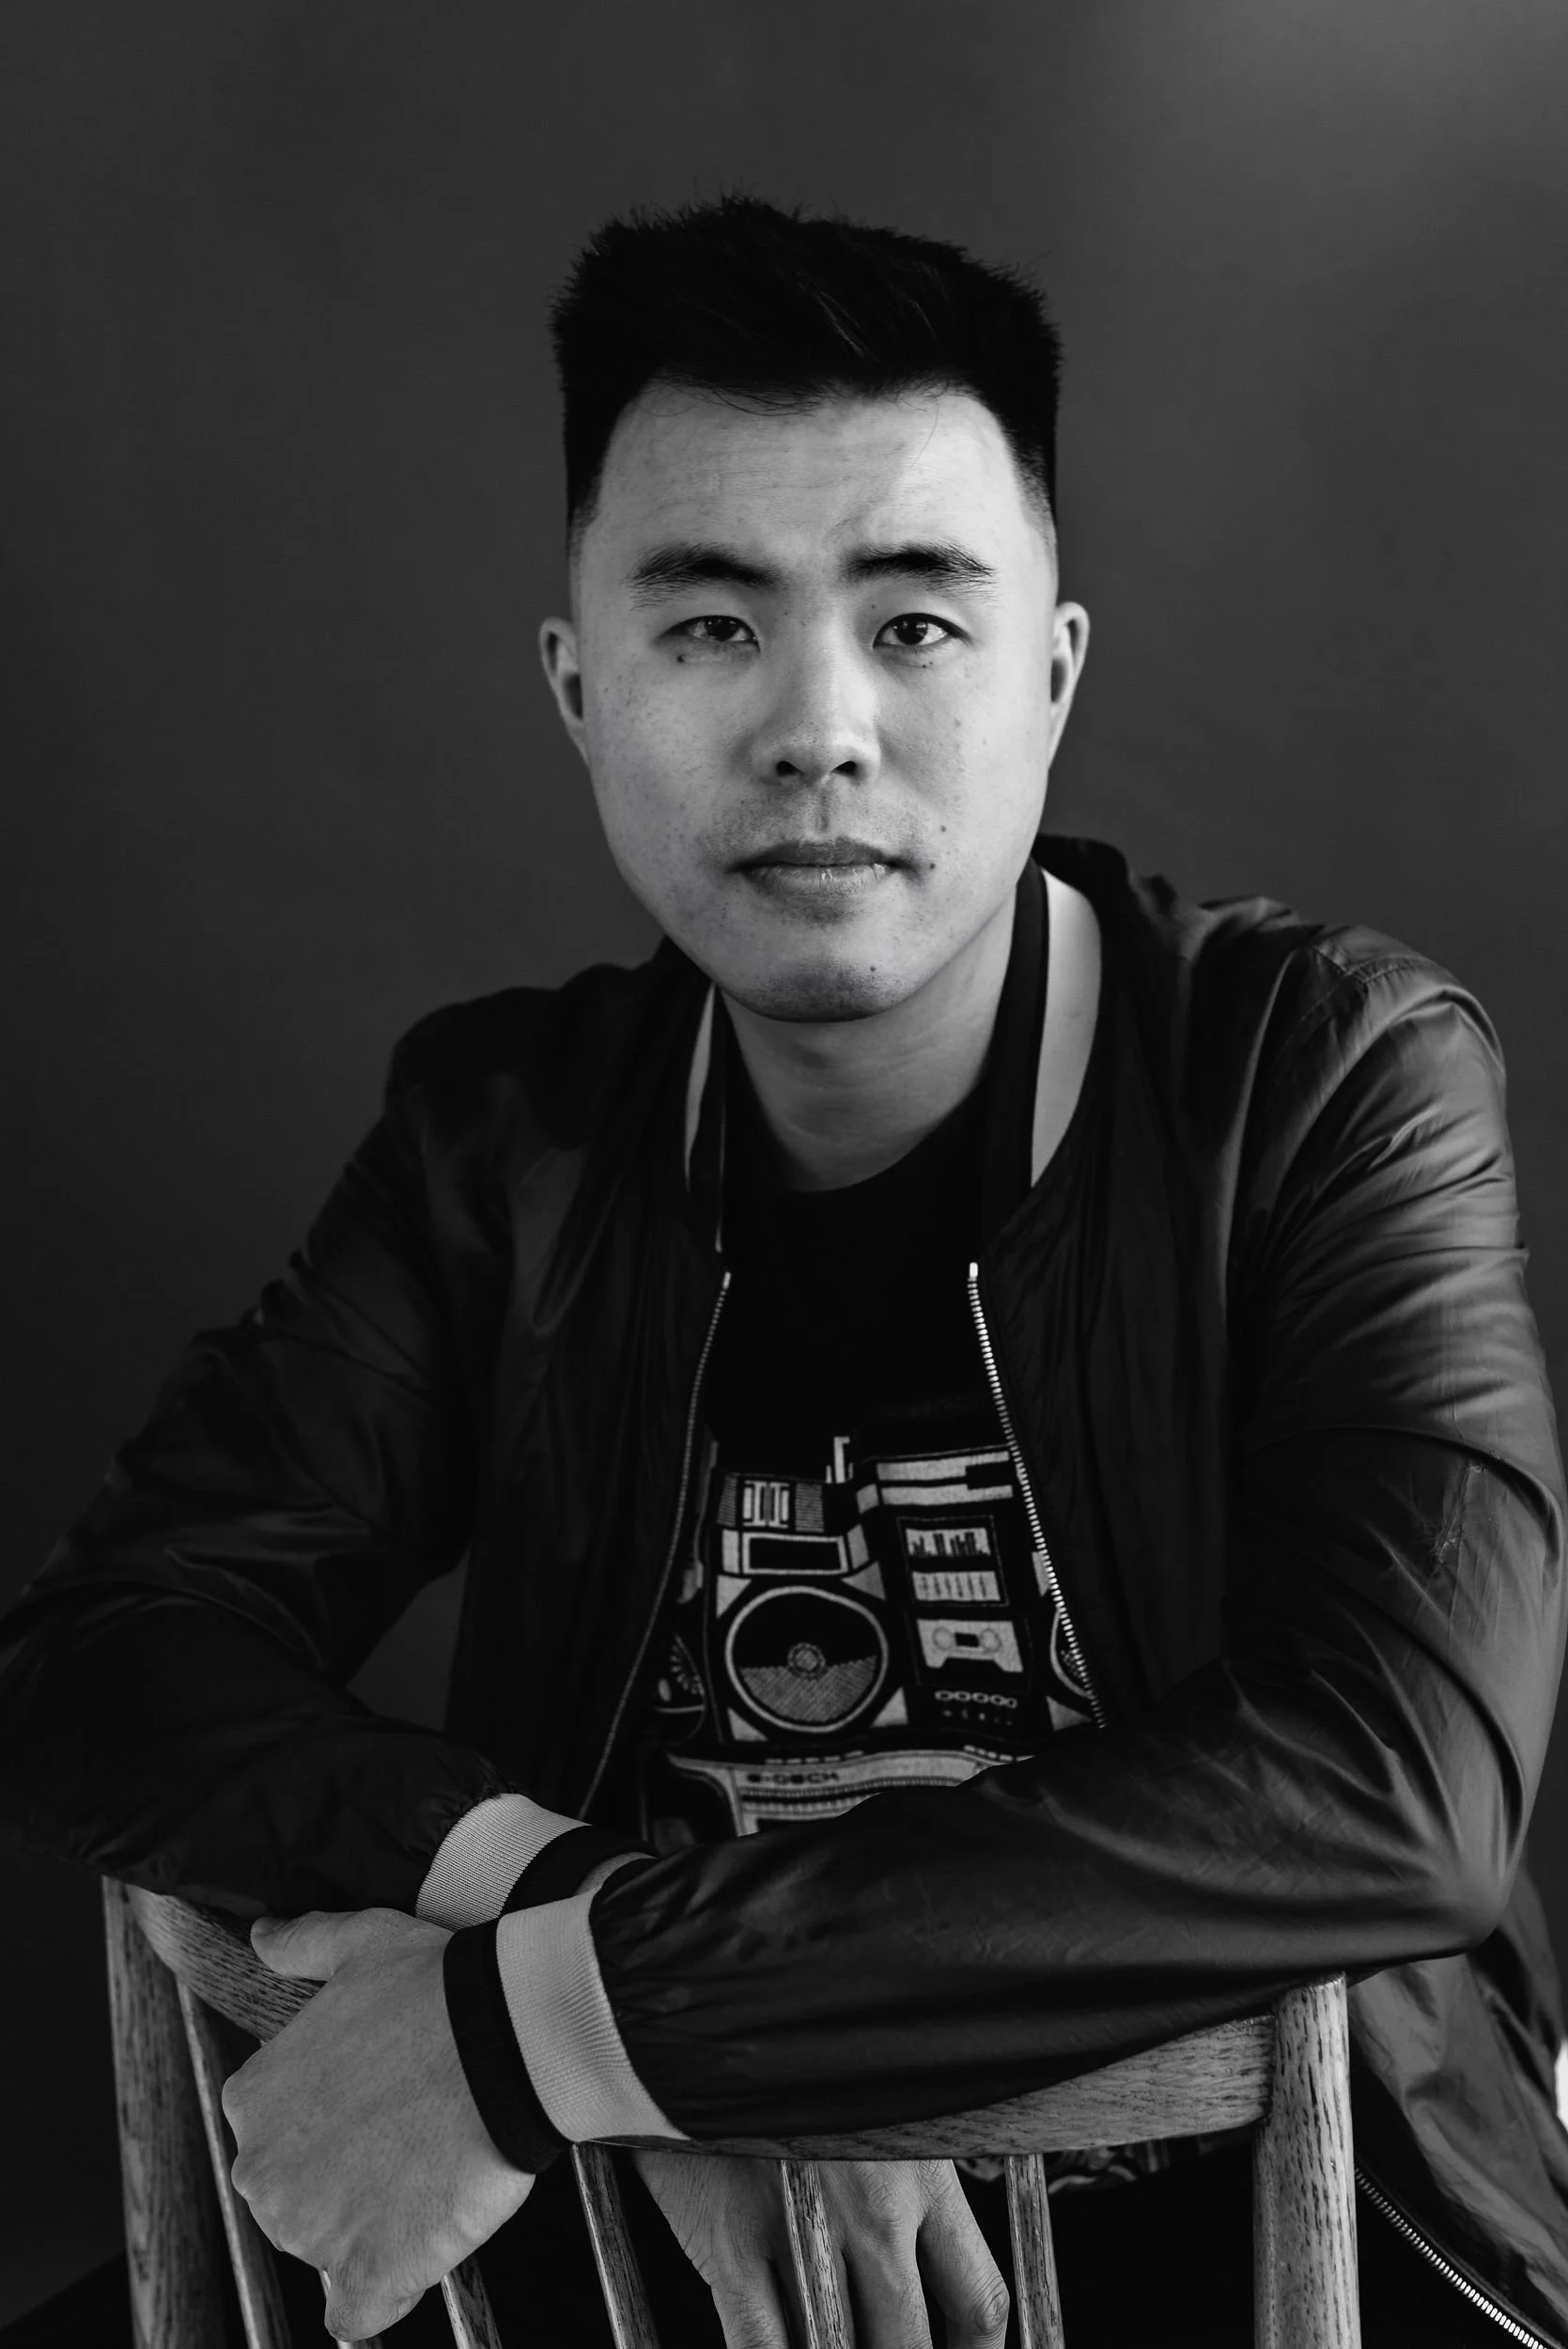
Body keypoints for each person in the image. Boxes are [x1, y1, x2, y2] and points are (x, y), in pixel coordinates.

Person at [3, 193, 1566, 2349]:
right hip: (642, 2220)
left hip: (1278, 2222)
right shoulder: (511, 1136)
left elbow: (1393, 1780)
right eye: (711, 626)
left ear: (1052, 674)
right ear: (579, 690)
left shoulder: (1321, 1078)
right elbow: (108, 1653)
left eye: (914, 622)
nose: (818, 724)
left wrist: (562, 2021)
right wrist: (581, 1942)